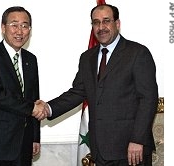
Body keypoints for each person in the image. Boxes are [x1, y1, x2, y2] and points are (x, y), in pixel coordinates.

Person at [34, 4, 158, 166]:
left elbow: (148, 99)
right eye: (96, 22)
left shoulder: (137, 53)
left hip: (131, 149)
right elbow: (78, 92)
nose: (101, 27)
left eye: (106, 21)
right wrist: (48, 108)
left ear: (117, 24)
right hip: (100, 149)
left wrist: (137, 139)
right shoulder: (87, 58)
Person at [0, 6, 41, 166]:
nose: (20, 31)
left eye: (25, 26)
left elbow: (34, 97)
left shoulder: (30, 59)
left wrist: (34, 138)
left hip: (23, 145)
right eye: (14, 25)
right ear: (3, 28)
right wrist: (32, 107)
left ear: (29, 30)